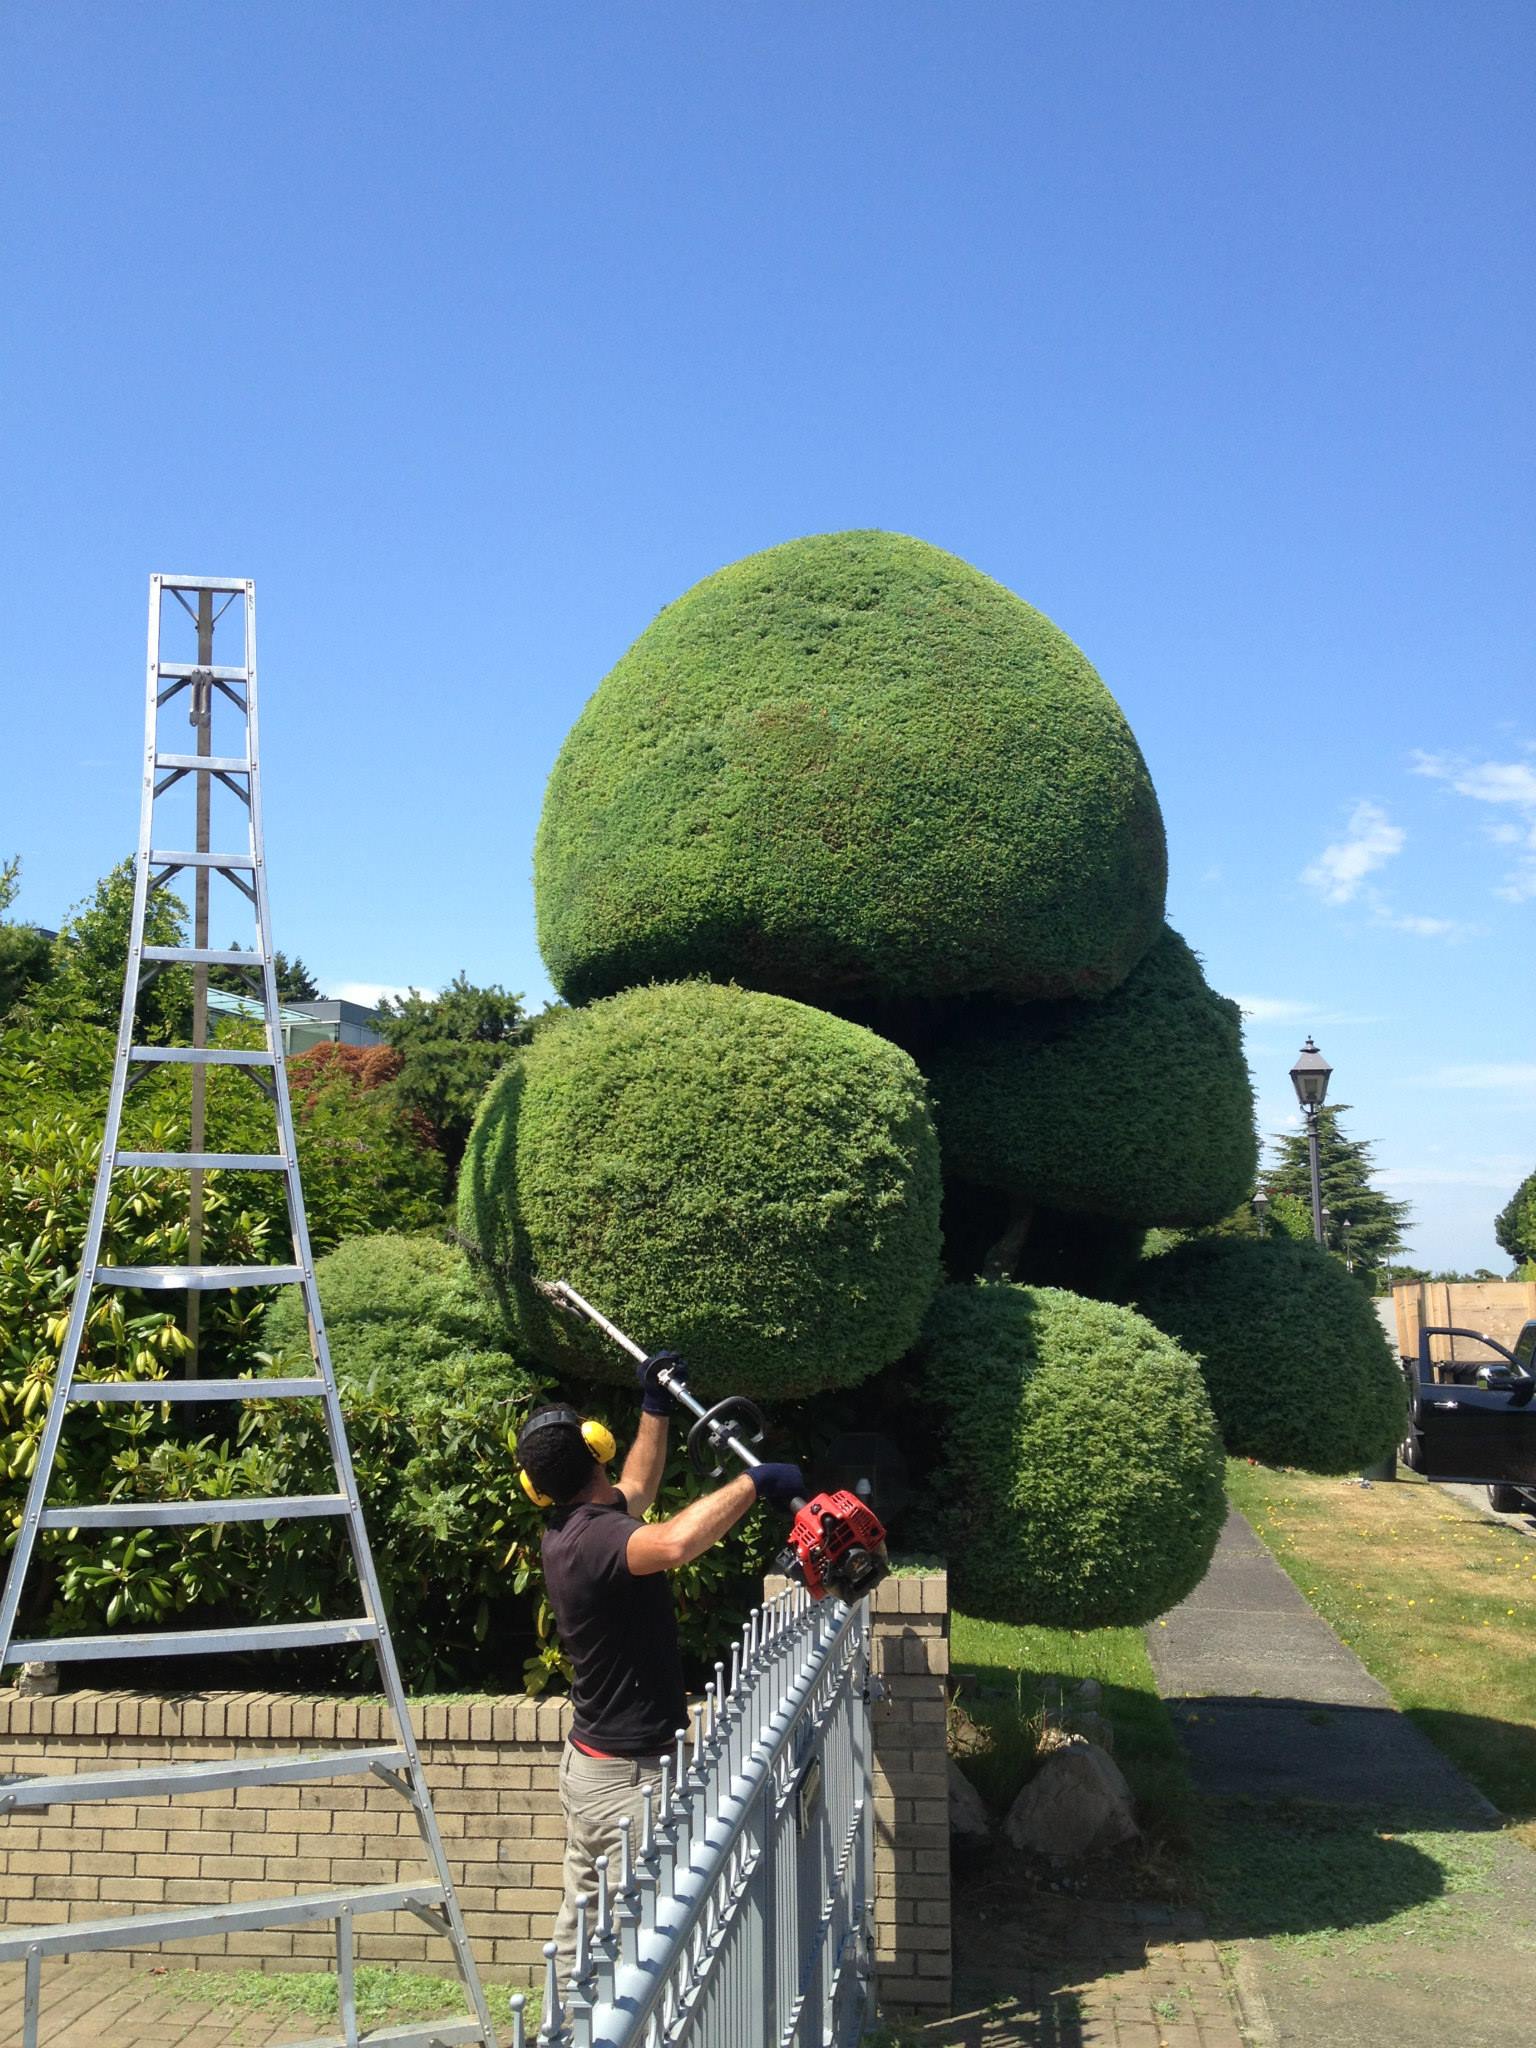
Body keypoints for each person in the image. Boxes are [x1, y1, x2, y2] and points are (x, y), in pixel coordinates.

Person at [514, 1349, 804, 1989]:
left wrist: (656, 1406)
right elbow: (673, 1542)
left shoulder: (574, 1527)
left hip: (594, 1769)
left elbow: (638, 1493)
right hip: (628, 1784)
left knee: (584, 1935)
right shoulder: (596, 1542)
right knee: (635, 1954)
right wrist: (754, 1484)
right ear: (596, 1453)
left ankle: (556, 2031)